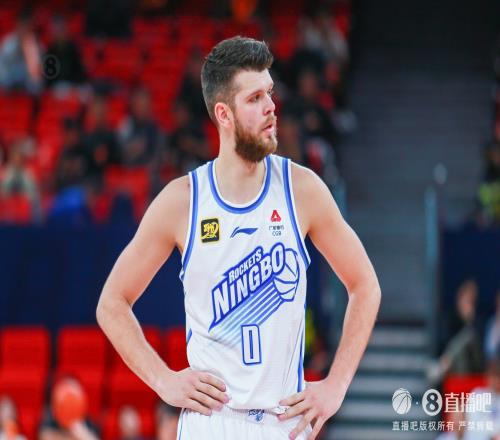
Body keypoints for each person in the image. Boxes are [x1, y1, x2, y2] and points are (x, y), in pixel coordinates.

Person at [96, 36, 381, 440]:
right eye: (255, 98)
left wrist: (336, 386)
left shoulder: (302, 190)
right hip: (212, 422)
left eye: (270, 93)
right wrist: (163, 380)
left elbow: (365, 285)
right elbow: (111, 303)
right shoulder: (183, 200)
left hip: (283, 422)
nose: (271, 107)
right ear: (224, 114)